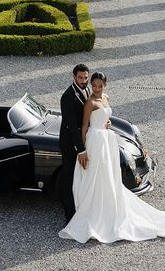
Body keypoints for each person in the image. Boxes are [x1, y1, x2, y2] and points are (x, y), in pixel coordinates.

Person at [59, 72, 165, 243]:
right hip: (95, 142)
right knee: (94, 176)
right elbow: (84, 127)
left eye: (100, 85)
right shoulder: (89, 101)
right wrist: (83, 150)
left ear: (105, 85)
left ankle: (109, 205)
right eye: (94, 85)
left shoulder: (105, 97)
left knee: (108, 175)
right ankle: (92, 210)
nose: (97, 89)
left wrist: (106, 122)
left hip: (106, 140)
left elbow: (100, 116)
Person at [57, 64, 111, 223]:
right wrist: (81, 150)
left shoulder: (88, 90)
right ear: (73, 77)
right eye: (80, 77)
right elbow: (72, 126)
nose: (83, 80)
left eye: (85, 78)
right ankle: (70, 217)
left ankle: (86, 209)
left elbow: (94, 113)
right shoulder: (67, 96)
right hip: (70, 144)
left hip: (87, 140)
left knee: (83, 178)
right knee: (68, 179)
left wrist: (104, 123)